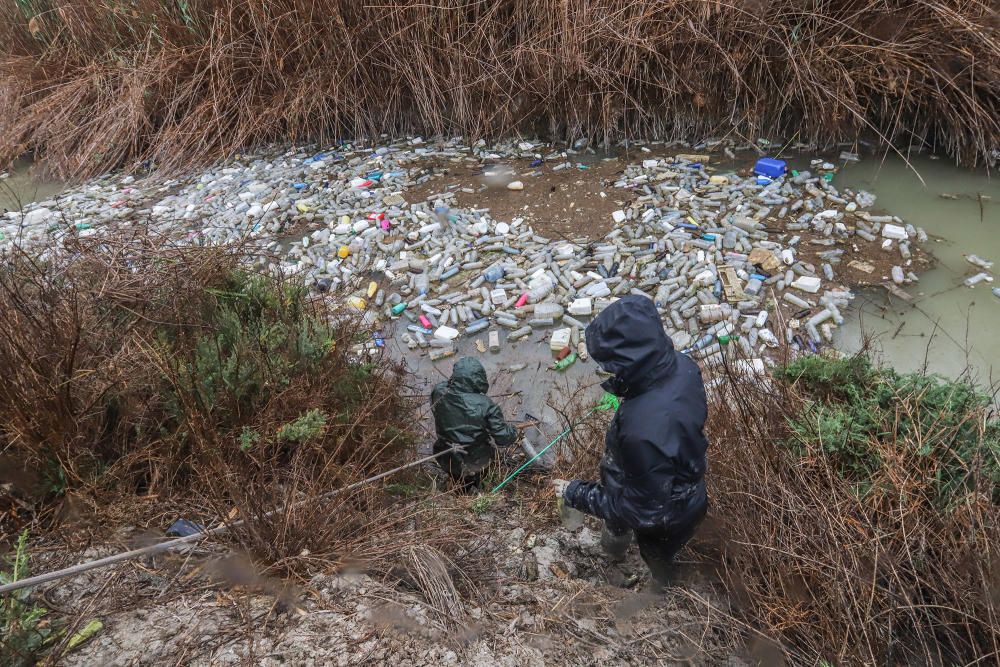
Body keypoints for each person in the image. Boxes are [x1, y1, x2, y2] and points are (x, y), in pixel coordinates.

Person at [554, 295, 709, 586]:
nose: (607, 370)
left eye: (609, 364)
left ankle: (662, 590)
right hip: (689, 490)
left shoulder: (642, 430)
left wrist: (579, 493)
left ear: (629, 360)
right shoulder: (684, 367)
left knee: (658, 558)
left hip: (666, 518)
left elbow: (644, 512)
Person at [431, 357, 518, 491]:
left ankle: (460, 491)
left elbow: (437, 408)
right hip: (476, 460)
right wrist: (513, 431)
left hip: (445, 456)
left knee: (458, 480)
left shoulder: (439, 392)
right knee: (477, 478)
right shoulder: (485, 404)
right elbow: (503, 438)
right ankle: (477, 488)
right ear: (479, 379)